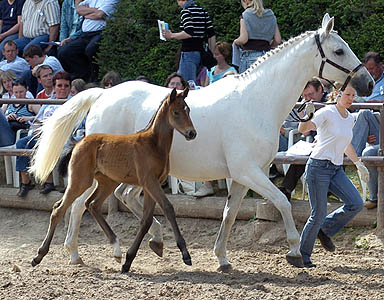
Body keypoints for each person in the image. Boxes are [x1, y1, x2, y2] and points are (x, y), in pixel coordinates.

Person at [297, 85, 368, 268]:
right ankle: (302, 254)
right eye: (347, 95)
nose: (351, 98)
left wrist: (358, 163)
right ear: (337, 94)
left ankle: (325, 229)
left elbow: (346, 144)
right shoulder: (326, 113)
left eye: (353, 95)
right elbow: (303, 130)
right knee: (318, 213)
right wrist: (308, 115)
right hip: (318, 167)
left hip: (335, 168)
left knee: (356, 203)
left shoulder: (349, 118)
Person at [16, 71, 72, 197]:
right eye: (59, 86)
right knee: (21, 143)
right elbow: (37, 120)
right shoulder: (48, 102)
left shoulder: (73, 103)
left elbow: (80, 123)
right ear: (54, 87)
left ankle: (50, 182)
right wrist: (36, 127)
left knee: (45, 144)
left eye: (66, 86)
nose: (63, 89)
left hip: (62, 136)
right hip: (42, 134)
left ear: (70, 87)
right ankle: (26, 183)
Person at [276, 78, 328, 192]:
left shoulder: (329, 101)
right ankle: (287, 189)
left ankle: (286, 189)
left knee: (307, 154)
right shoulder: (307, 104)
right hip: (314, 141)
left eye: (311, 94)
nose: (308, 98)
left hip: (329, 140)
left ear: (320, 89)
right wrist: (302, 116)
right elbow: (306, 132)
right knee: (302, 154)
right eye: (305, 96)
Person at [57, 0, 119, 82]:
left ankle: (94, 78)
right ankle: (81, 78)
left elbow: (100, 14)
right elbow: (78, 9)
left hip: (101, 33)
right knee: (64, 52)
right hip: (85, 35)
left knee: (91, 49)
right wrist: (95, 10)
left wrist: (87, 13)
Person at [162, 0, 216, 84]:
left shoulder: (186, 11)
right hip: (201, 53)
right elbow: (211, 34)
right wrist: (212, 54)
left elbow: (189, 32)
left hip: (188, 53)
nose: (177, 3)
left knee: (186, 84)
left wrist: (171, 35)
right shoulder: (202, 11)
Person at [233, 0, 282, 73]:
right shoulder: (271, 15)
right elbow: (278, 40)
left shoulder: (245, 15)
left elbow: (243, 39)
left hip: (250, 57)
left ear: (246, 1)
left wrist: (235, 42)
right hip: (268, 56)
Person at [0, 79, 39, 146]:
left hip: (17, 134)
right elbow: (2, 119)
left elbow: (42, 117)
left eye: (21, 92)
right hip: (6, 130)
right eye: (16, 92)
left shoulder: (31, 103)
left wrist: (29, 118)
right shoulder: (8, 103)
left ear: (26, 89)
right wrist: (7, 117)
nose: (19, 95)